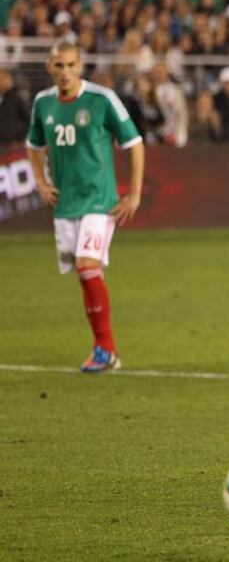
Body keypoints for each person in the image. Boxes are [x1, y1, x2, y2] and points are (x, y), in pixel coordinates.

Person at [26, 42, 145, 373]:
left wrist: (133, 194)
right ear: (50, 67)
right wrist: (40, 181)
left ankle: (105, 350)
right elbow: (34, 145)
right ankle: (106, 349)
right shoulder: (43, 103)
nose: (65, 72)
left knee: (86, 266)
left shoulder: (101, 99)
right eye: (59, 66)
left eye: (71, 65)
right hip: (66, 204)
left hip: (99, 200)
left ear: (81, 66)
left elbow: (134, 143)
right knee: (86, 275)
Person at [0, 68, 30, 150]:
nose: (2, 82)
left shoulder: (15, 99)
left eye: (4, 79)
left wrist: (20, 138)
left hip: (9, 144)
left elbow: (27, 120)